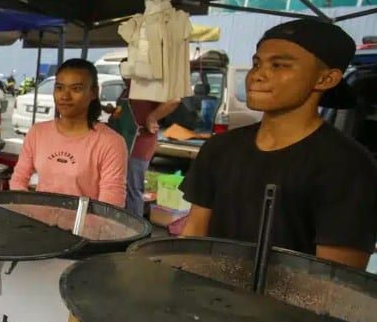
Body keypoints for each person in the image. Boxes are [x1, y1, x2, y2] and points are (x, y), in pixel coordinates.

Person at [181, 19, 376, 268]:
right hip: (206, 299)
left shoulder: (349, 167)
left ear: (326, 79)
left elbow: (335, 283)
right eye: (257, 63)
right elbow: (193, 235)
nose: (257, 75)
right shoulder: (219, 149)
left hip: (286, 306)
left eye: (279, 65)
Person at [10, 58, 127, 206]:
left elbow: (111, 204)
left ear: (93, 92)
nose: (65, 96)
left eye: (76, 88)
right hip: (39, 225)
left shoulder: (111, 142)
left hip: (85, 227)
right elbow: (18, 179)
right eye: (59, 88)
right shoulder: (37, 133)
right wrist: (27, 211)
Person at [108, 72, 180, 217]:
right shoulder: (127, 90)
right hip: (123, 143)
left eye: (126, 73)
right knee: (123, 185)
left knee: (134, 188)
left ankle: (134, 226)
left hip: (139, 144)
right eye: (122, 72)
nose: (124, 77)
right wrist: (112, 111)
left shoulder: (148, 89)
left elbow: (174, 100)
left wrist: (152, 117)